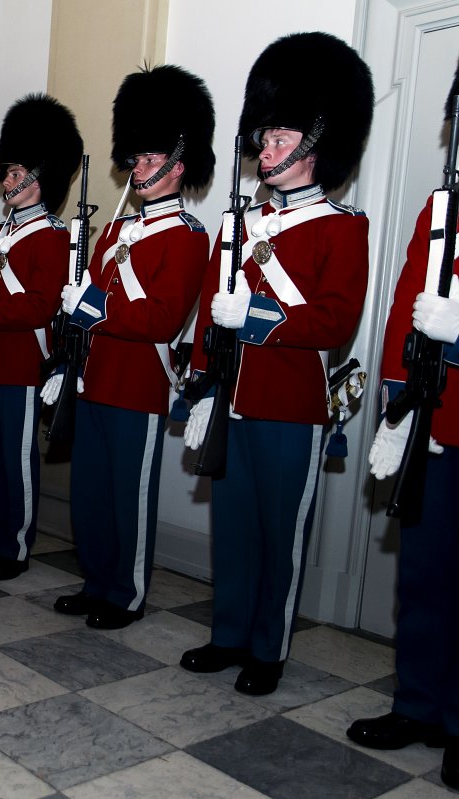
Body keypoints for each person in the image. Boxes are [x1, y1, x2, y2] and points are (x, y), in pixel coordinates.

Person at [180, 32, 374, 695]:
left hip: (293, 403)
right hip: (234, 396)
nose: (266, 148)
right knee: (231, 527)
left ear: (319, 146)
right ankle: (229, 632)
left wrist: (256, 318)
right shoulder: (240, 226)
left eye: (281, 136)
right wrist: (204, 375)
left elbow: (334, 319)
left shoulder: (343, 227)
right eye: (264, 136)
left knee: (278, 532)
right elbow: (211, 310)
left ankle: (270, 645)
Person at [51, 65, 214, 629]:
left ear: (177, 165)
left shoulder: (190, 235)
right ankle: (97, 581)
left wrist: (95, 308)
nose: (137, 169)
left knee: (129, 498)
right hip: (96, 376)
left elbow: (164, 317)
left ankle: (127, 592)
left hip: (140, 380)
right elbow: (92, 295)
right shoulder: (118, 230)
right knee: (91, 493)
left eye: (149, 160)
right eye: (136, 159)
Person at [347, 64, 459, 790]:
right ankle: (419, 702)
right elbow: (401, 310)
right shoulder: (439, 208)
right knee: (423, 577)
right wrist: (396, 403)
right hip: (435, 424)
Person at [0, 94, 81, 580]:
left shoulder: (53, 236)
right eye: (4, 173)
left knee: (15, 461)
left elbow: (39, 307)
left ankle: (16, 546)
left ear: (38, 176)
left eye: (13, 172)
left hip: (23, 362)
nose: (5, 181)